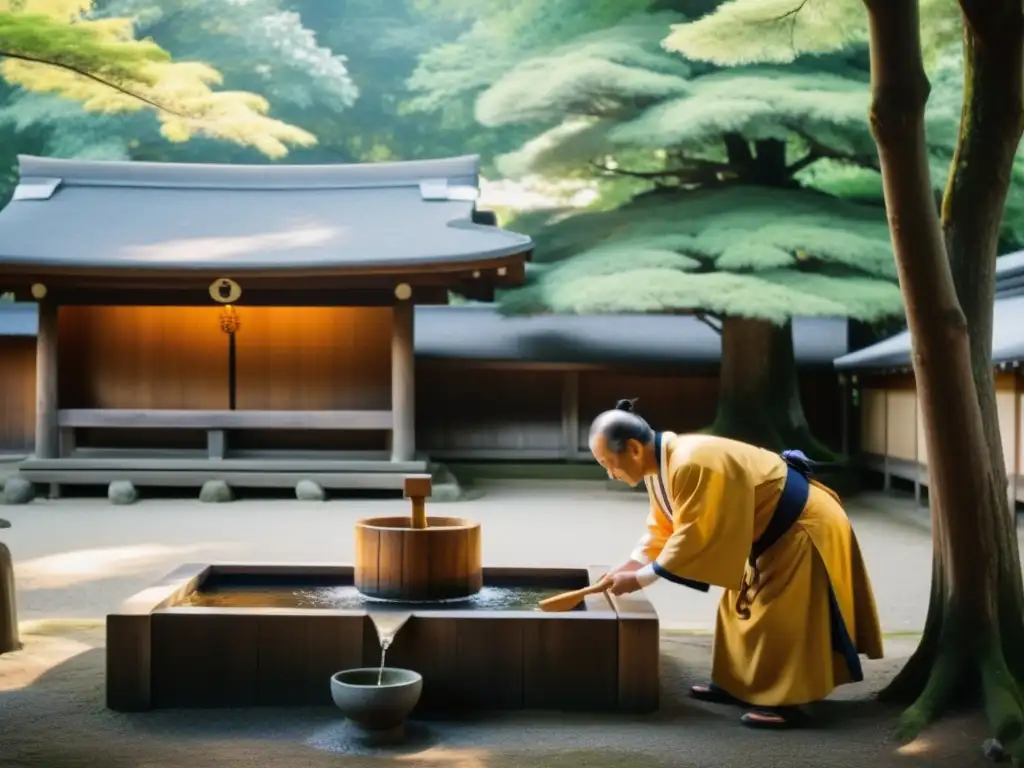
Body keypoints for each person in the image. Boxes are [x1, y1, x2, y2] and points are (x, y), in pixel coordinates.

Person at [591, 399, 884, 729]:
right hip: (767, 530)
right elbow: (663, 526)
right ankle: (737, 685)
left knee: (783, 617)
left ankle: (786, 703)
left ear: (632, 448)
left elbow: (693, 536)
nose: (609, 472)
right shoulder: (660, 467)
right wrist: (631, 564)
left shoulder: (689, 461)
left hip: (800, 525)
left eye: (607, 462)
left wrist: (641, 578)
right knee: (736, 608)